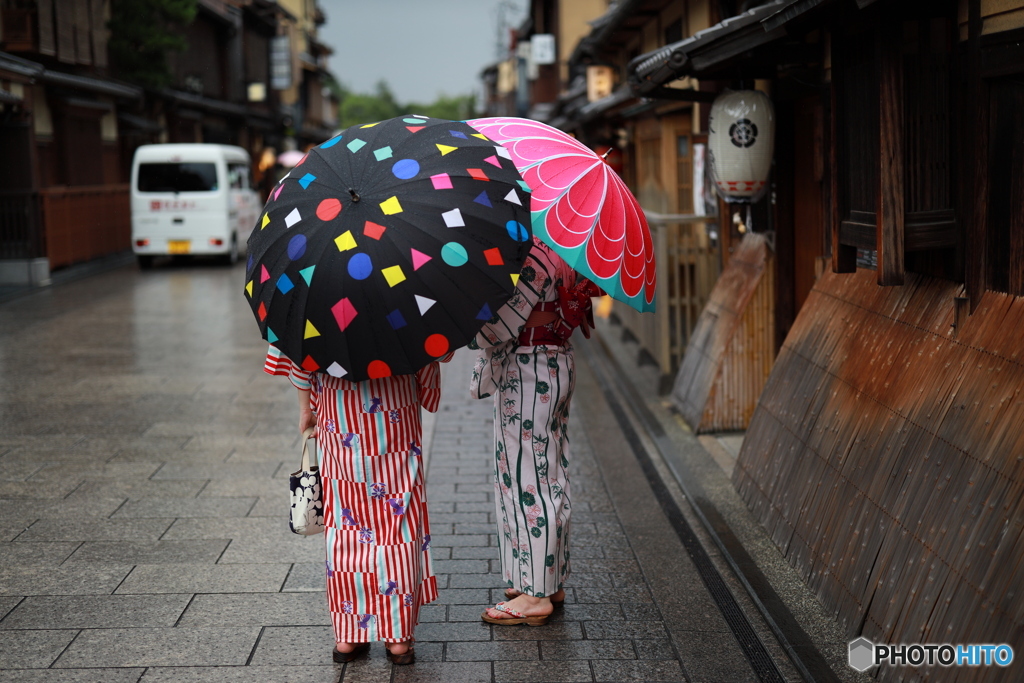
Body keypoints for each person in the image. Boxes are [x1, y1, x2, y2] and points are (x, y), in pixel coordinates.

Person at [265, 346, 451, 664]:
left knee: (345, 516)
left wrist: (305, 408)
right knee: (397, 515)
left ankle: (349, 635)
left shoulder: (314, 295)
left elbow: (295, 350)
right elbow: (433, 348)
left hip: (339, 407)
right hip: (395, 403)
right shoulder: (401, 294)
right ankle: (398, 638)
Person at [469, 237, 601, 626]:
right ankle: (547, 578)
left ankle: (535, 595)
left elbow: (497, 329)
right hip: (555, 362)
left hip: (528, 369)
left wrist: (466, 326)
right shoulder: (568, 251)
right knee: (549, 472)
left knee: (528, 478)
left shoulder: (534, 257)